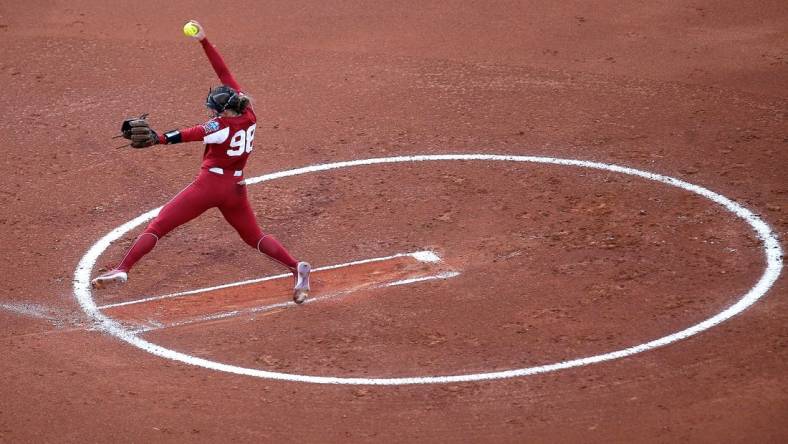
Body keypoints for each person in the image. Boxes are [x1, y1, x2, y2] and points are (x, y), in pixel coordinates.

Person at [91, 21, 311, 304]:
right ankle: (298, 268)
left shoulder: (218, 126)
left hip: (209, 186)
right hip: (235, 188)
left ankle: (122, 269)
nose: (208, 111)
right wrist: (204, 41)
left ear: (221, 110)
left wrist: (157, 138)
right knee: (254, 236)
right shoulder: (249, 112)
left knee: (157, 226)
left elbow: (184, 135)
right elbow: (224, 72)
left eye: (211, 108)